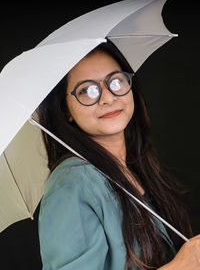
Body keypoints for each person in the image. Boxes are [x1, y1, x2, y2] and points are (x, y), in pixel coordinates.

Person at [38, 40, 200, 270]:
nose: (107, 97)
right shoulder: (72, 183)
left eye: (115, 81)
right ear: (66, 111)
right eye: (87, 90)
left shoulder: (135, 167)